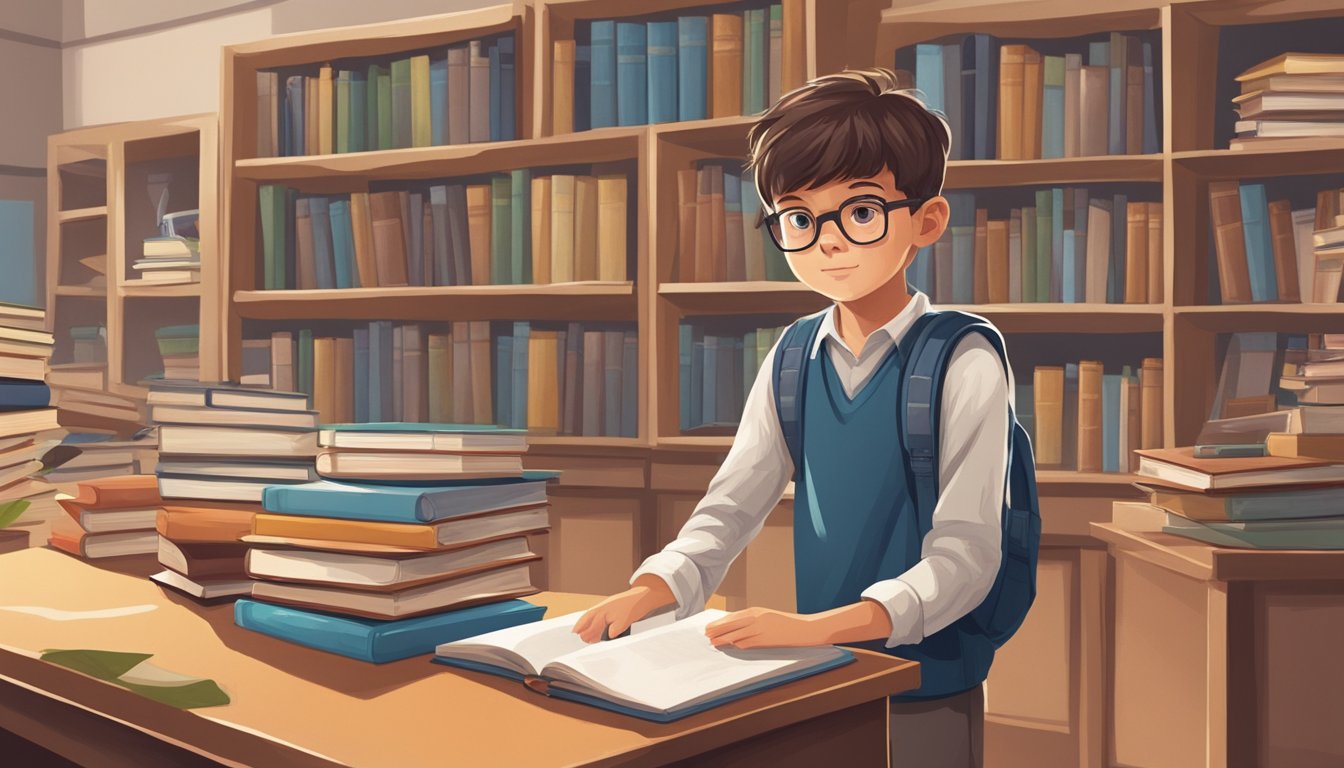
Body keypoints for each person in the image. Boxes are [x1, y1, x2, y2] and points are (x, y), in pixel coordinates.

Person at [573, 67, 1012, 768]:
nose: (827, 241)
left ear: (926, 221)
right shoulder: (792, 356)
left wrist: (822, 627)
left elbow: (966, 555)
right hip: (821, 672)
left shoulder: (963, 360)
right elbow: (732, 504)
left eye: (861, 211)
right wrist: (655, 587)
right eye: (800, 218)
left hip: (927, 678)